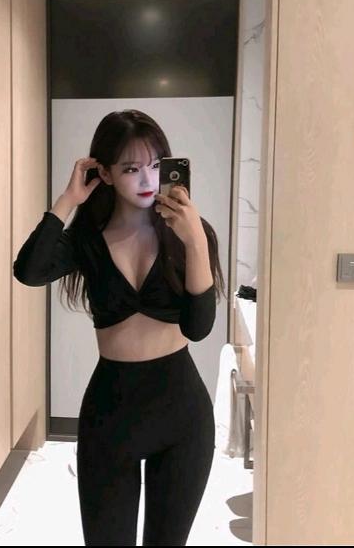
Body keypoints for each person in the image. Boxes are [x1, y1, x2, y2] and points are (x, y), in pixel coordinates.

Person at [13, 109, 226, 546]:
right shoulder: (87, 241)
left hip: (182, 417)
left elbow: (199, 327)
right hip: (111, 415)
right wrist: (68, 200)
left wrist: (195, 241)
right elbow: (29, 271)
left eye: (155, 164)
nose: (147, 179)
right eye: (130, 168)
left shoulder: (190, 233)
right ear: (105, 174)